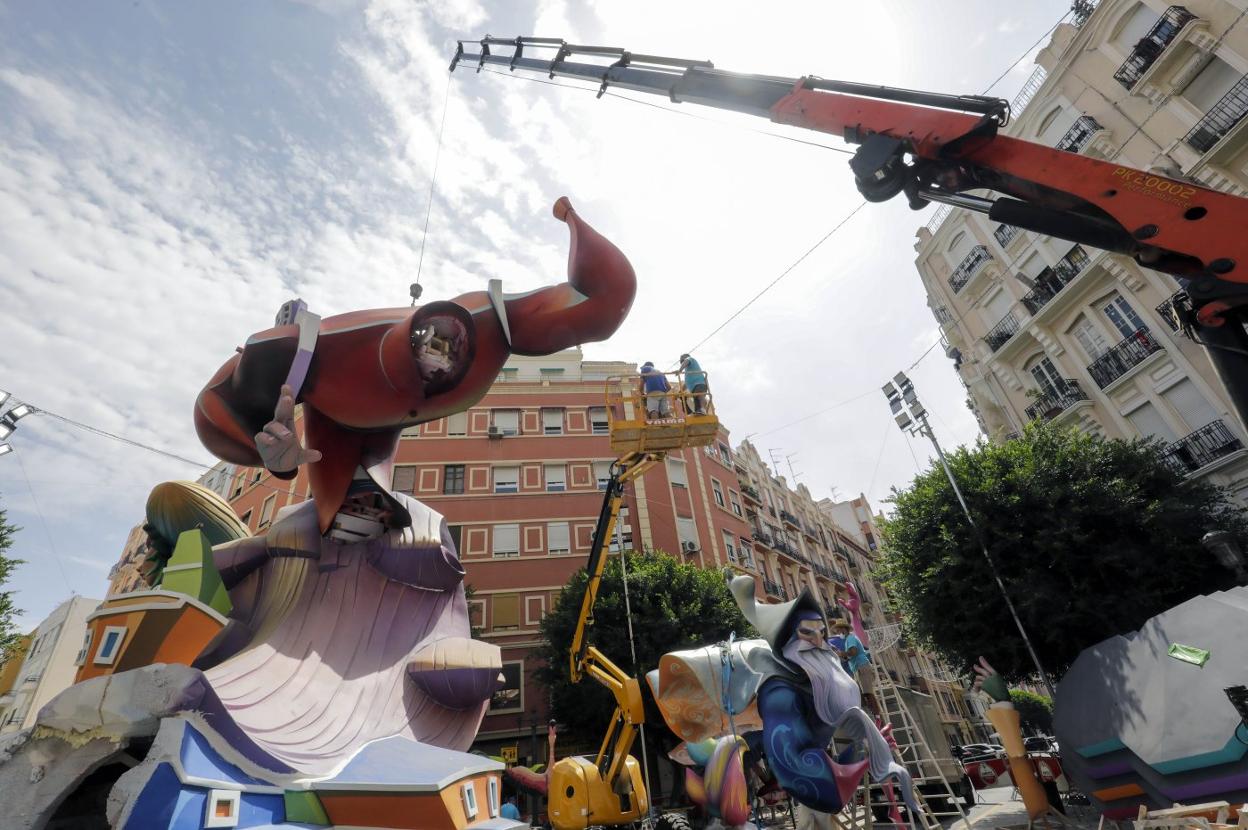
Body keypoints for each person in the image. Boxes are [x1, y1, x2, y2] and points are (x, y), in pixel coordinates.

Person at [842, 623, 878, 717]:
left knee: (868, 693)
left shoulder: (850, 638)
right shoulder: (848, 640)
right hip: (857, 668)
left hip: (861, 666)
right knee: (862, 695)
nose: (838, 632)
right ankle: (872, 716)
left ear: (844, 629)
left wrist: (841, 654)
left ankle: (877, 717)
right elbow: (851, 654)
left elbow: (853, 651)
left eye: (839, 630)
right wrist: (844, 656)